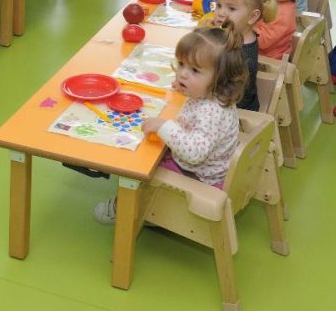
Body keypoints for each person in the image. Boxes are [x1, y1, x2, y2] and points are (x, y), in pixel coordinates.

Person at [92, 25, 247, 224]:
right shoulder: (214, 95)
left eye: (194, 70)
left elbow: (194, 153)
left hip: (197, 176)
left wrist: (164, 126)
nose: (182, 74)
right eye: (181, 64)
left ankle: (125, 209)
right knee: (147, 147)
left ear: (221, 80)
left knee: (139, 165)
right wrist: (188, 88)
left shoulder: (211, 112)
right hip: (204, 168)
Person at [210, 0, 279, 111]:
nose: (220, 13)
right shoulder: (241, 35)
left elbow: (228, 96)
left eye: (231, 9)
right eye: (219, 5)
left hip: (235, 113)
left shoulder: (240, 53)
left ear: (253, 16)